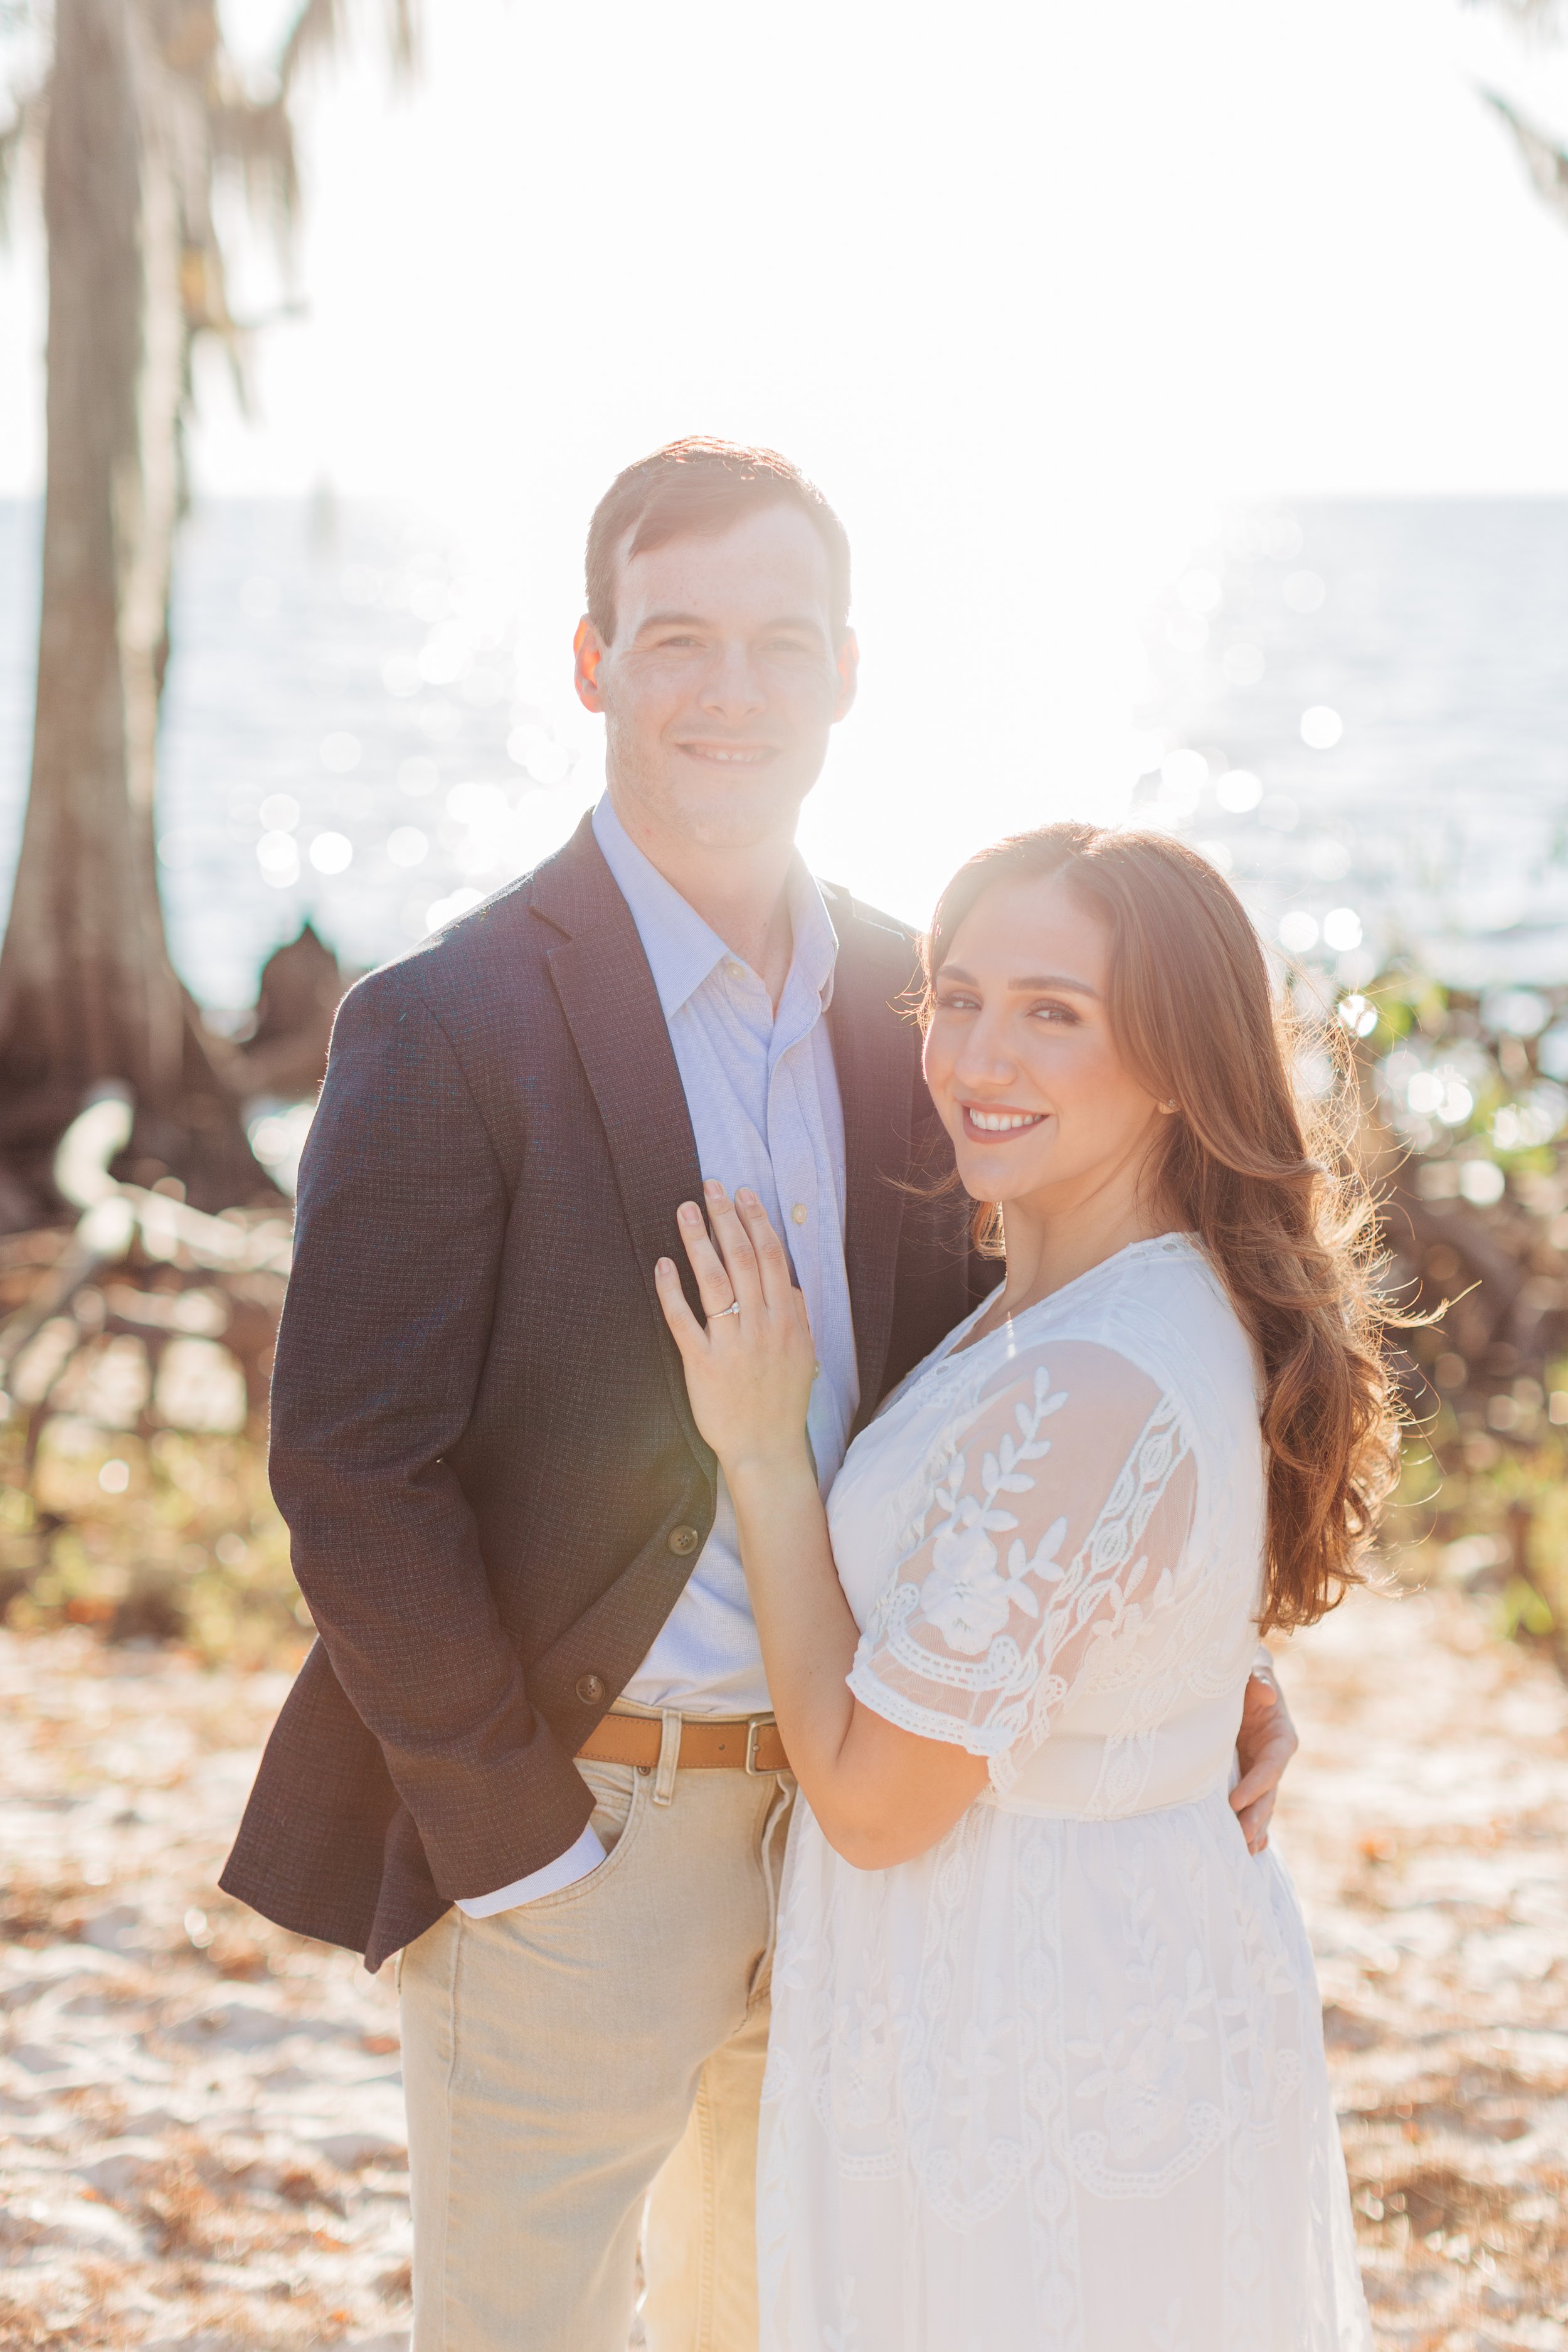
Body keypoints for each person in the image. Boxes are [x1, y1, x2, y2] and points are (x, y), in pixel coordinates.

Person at [220, 442, 1300, 2352]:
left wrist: (1173, 1652)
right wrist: (518, 1843)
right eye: (678, 638)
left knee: (781, 2316)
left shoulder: (926, 1000)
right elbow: (349, 1472)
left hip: (868, 1847)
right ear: (590, 660)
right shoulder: (443, 1021)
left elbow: (1031, 1402)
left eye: (778, 642)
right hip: (585, 1835)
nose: (728, 690)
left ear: (849, 676)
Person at [655, 821, 1391, 2350]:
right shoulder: (1074, 1296)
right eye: (956, 997)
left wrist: (764, 1454)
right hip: (1041, 1972)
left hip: (1039, 2018)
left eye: (1054, 1012)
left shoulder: (1098, 1371)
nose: (977, 1056)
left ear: (1179, 1060)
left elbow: (870, 1806)